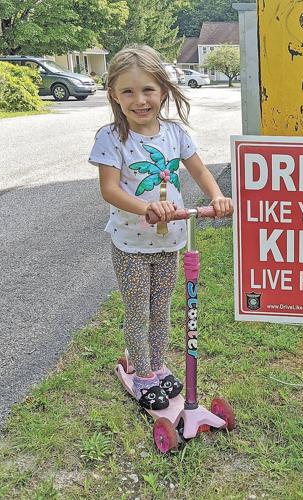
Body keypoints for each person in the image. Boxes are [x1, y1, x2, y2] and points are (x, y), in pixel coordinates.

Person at [89, 45, 233, 410]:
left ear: (163, 91)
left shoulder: (175, 133)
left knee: (163, 307)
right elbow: (109, 188)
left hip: (171, 242)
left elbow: (199, 170)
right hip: (130, 245)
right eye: (128, 91)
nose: (139, 100)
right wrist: (147, 206)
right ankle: (141, 372)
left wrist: (217, 196)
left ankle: (158, 363)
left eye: (148, 90)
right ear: (114, 95)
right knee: (139, 310)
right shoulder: (111, 138)